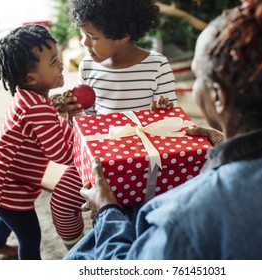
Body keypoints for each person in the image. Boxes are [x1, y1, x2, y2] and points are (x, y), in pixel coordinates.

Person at [64, 0, 262, 260]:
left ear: (218, 96)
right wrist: (225, 142)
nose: (193, 89)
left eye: (197, 77)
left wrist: (107, 211)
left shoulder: (183, 218)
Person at [50, 0, 178, 249]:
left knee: (142, 210)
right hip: (100, 159)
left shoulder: (157, 65)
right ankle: (81, 248)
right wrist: (74, 114)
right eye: (83, 34)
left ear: (122, 34)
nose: (84, 43)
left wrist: (162, 109)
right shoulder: (88, 65)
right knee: (63, 201)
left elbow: (171, 123)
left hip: (145, 160)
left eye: (92, 36)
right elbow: (88, 124)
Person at [0, 24, 74, 260]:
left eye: (58, 57)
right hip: (8, 186)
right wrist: (74, 121)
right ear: (31, 77)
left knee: (7, 215)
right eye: (53, 62)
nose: (61, 64)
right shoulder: (37, 108)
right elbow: (62, 155)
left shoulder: (30, 97)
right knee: (30, 236)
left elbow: (55, 127)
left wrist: (67, 123)